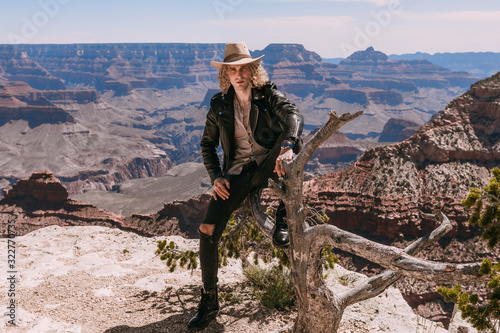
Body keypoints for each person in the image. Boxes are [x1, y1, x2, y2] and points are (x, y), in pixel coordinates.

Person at [188, 42, 304, 331]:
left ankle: (283, 214)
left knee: (292, 141)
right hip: (238, 173)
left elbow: (294, 116)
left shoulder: (268, 95)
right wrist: (216, 176)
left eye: (243, 69)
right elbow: (207, 143)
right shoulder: (220, 105)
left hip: (270, 163)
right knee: (207, 230)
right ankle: (209, 300)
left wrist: (287, 146)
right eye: (233, 69)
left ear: (253, 71)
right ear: (226, 74)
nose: (238, 74)